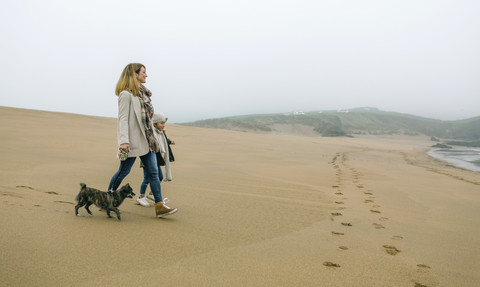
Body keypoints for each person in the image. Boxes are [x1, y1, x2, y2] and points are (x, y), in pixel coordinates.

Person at [107, 63, 177, 218]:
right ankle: (108, 198)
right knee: (123, 171)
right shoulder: (126, 94)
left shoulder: (144, 94)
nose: (146, 75)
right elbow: (123, 119)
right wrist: (123, 141)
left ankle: (159, 206)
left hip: (148, 140)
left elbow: (148, 120)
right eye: (143, 72)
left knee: (153, 172)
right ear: (135, 74)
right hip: (132, 142)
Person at [136, 113, 175, 207]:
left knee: (160, 177)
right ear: (154, 123)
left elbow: (165, 139)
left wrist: (170, 142)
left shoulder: (161, 133)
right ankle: (141, 197)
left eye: (164, 123)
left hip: (155, 160)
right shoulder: (151, 132)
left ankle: (151, 194)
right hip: (147, 160)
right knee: (146, 179)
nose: (163, 125)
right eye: (161, 123)